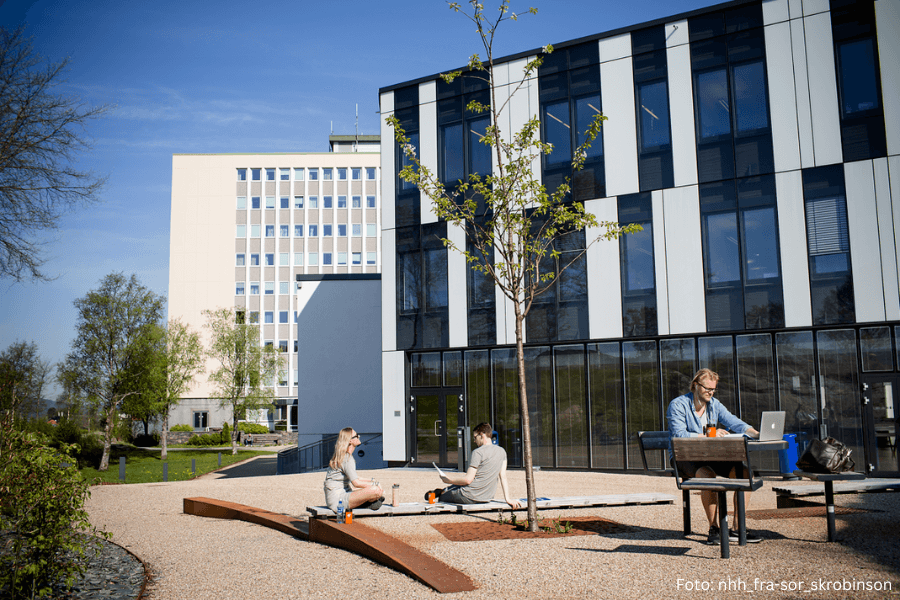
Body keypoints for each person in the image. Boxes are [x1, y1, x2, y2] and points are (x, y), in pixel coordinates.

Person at [667, 368, 762, 545]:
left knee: (745, 472)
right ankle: (714, 528)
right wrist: (708, 435)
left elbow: (734, 422)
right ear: (695, 385)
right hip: (684, 456)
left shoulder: (714, 404)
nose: (710, 393)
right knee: (708, 476)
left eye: (713, 389)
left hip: (710, 454)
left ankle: (738, 528)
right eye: (707, 389)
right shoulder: (678, 405)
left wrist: (755, 433)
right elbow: (679, 435)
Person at [426, 422, 521, 509]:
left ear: (482, 434)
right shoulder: (502, 451)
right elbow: (503, 477)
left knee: (443, 497)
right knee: (456, 486)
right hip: (487, 497)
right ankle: (444, 489)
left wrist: (449, 480)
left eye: (475, 437)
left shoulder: (478, 452)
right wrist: (508, 499)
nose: (474, 441)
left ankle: (442, 491)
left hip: (468, 496)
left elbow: (468, 480)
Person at [323, 428, 384, 512]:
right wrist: (374, 486)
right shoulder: (347, 459)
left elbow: (355, 477)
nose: (359, 436)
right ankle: (367, 503)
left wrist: (372, 481)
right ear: (350, 441)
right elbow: (356, 483)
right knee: (374, 491)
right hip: (338, 501)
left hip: (335, 497)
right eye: (356, 435)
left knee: (373, 490)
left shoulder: (343, 456)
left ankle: (367, 502)